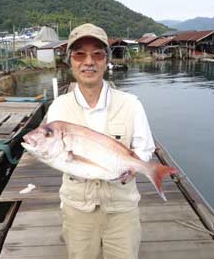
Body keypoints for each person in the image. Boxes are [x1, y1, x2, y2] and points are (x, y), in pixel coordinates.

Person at [47, 23, 155, 259]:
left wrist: (136, 167)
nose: (89, 61)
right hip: (77, 209)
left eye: (97, 54)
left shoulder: (131, 104)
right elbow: (58, 156)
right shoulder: (59, 107)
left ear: (106, 60)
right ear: (70, 61)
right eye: (79, 54)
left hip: (122, 209)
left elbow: (145, 147)